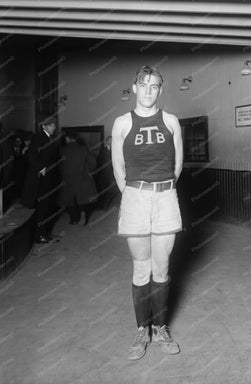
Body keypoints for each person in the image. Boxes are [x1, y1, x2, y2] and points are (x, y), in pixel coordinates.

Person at [111, 66, 184, 361]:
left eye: (155, 86)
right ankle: (143, 330)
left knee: (162, 267)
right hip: (135, 197)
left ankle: (161, 327)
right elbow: (118, 166)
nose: (149, 90)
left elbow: (178, 163)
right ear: (135, 87)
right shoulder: (121, 123)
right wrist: (133, 195)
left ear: (160, 90)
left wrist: (163, 191)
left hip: (165, 196)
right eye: (144, 85)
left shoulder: (171, 121)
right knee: (141, 266)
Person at [21, 116, 61, 244]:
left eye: (53, 125)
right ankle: (40, 236)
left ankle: (43, 233)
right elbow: (32, 155)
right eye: (50, 125)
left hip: (46, 178)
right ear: (43, 126)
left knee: (45, 207)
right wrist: (42, 168)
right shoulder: (39, 137)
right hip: (40, 179)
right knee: (42, 208)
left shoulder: (48, 137)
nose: (53, 127)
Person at [58, 133, 97, 225]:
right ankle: (83, 213)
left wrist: (63, 173)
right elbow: (93, 162)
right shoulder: (83, 148)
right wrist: (89, 171)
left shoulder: (62, 150)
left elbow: (58, 165)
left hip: (67, 178)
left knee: (70, 199)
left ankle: (73, 219)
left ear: (67, 138)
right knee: (82, 197)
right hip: (83, 177)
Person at [95, 135, 118, 210]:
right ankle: (103, 204)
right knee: (103, 190)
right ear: (106, 141)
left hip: (112, 173)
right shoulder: (102, 151)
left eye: (112, 140)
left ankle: (106, 202)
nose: (111, 142)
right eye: (110, 140)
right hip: (103, 174)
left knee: (113, 189)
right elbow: (99, 162)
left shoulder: (116, 150)